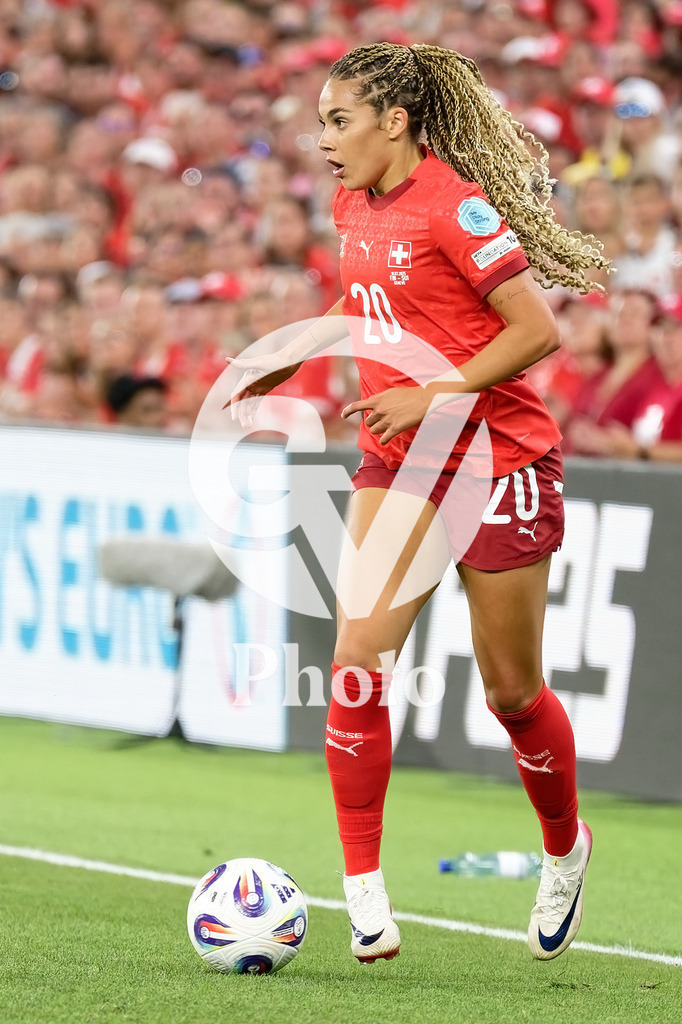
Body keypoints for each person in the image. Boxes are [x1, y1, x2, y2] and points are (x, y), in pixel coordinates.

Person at [228, 42, 610, 966]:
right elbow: (366, 299)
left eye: (337, 121)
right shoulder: (350, 200)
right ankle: (364, 891)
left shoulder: (455, 206)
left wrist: (435, 393)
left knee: (511, 691)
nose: (322, 140)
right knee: (357, 660)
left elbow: (536, 329)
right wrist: (295, 349)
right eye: (321, 121)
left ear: (394, 122)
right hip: (398, 462)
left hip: (499, 460)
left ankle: (564, 848)